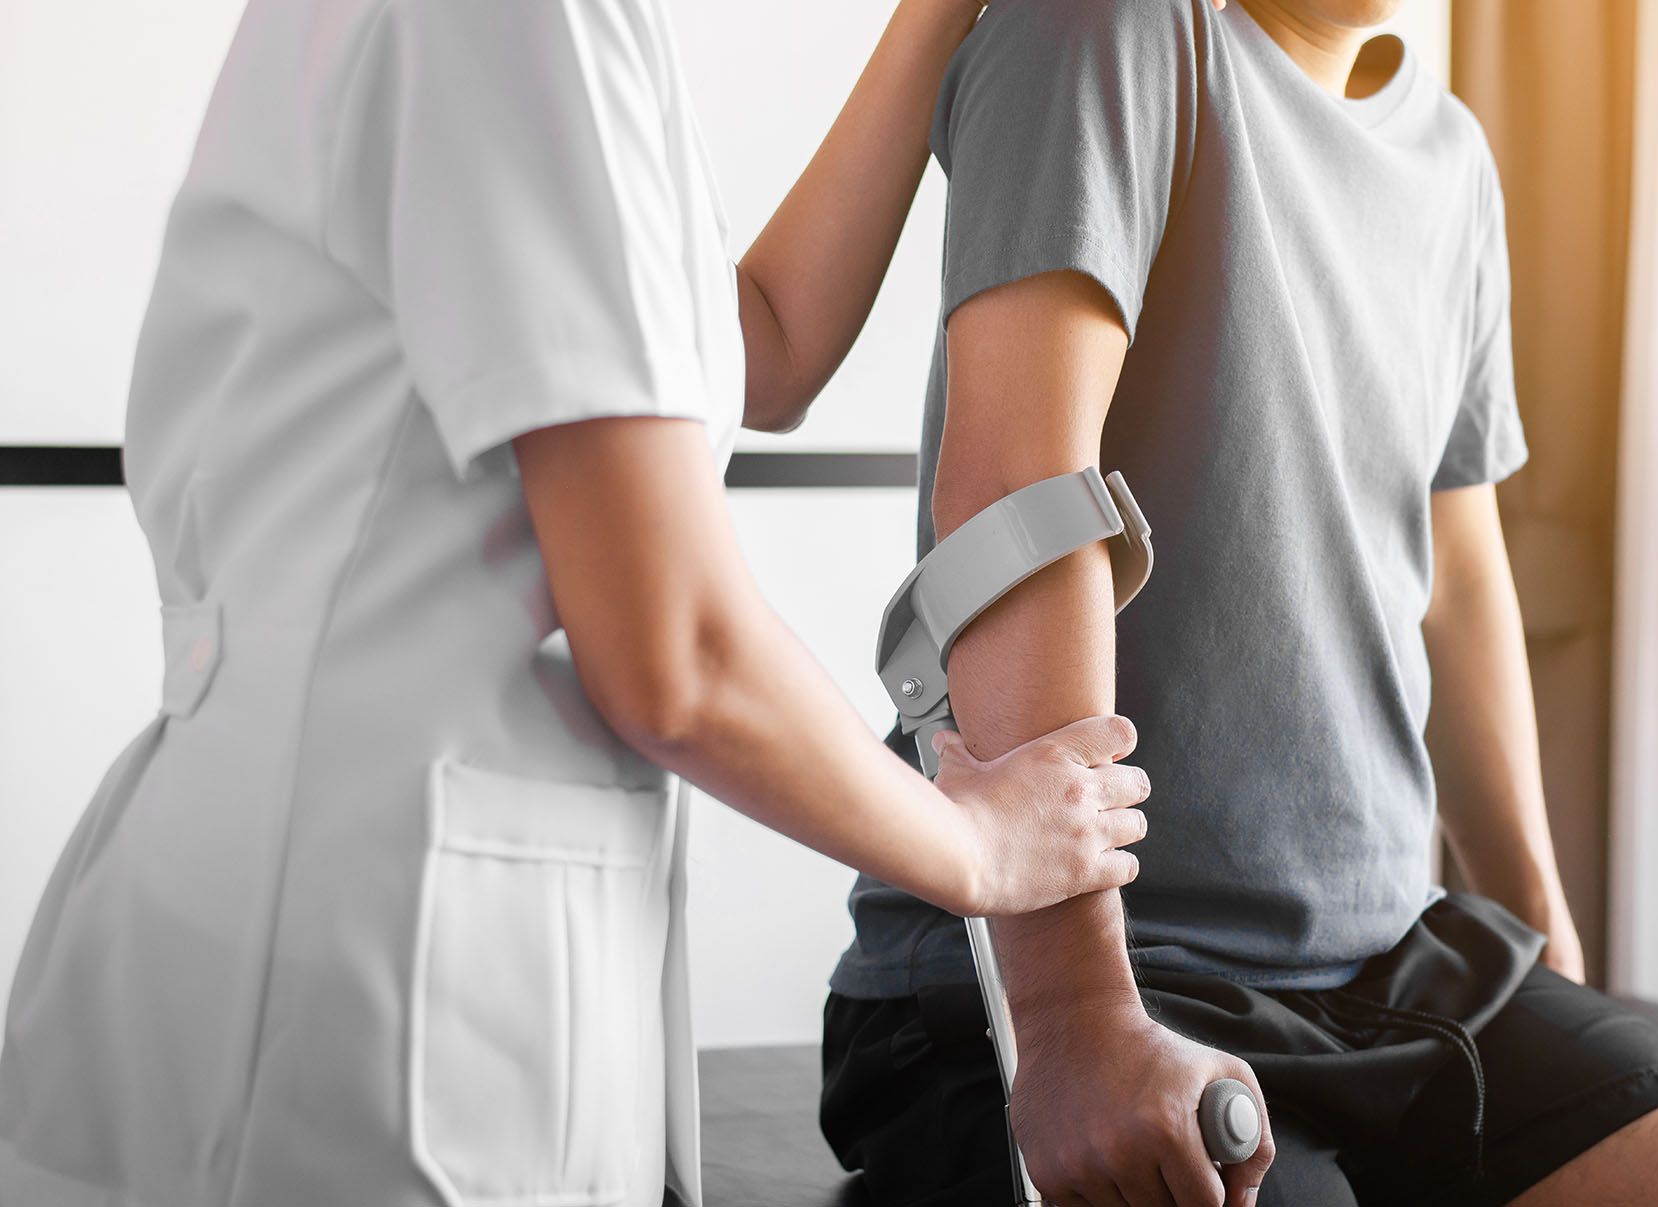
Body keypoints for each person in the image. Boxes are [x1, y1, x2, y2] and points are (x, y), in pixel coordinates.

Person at [0, 1, 1165, 1205]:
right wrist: (976, 846)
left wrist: (937, 16)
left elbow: (763, 341)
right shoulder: (514, 23)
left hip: (419, 951)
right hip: (351, 982)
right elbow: (675, 650)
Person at [820, 1, 1658, 1204]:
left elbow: (1457, 567)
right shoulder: (1107, 27)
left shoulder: (1452, 159)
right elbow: (1019, 489)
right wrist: (1070, 1010)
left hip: (1400, 963)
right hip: (1081, 970)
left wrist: (1539, 917)